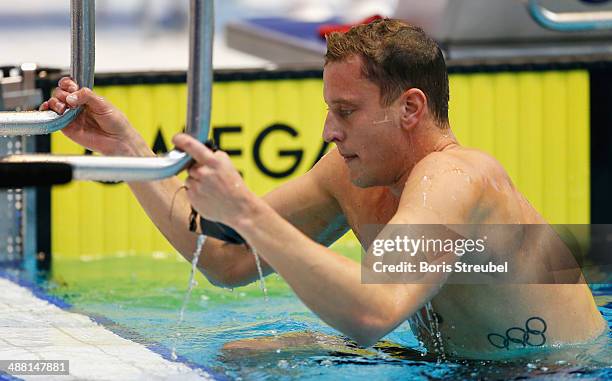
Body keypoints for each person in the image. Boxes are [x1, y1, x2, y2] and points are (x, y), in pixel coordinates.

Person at [42, 19, 605, 359]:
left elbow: (374, 312)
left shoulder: (460, 177)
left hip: (558, 371)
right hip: (453, 363)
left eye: (346, 111)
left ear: (410, 108)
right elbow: (225, 258)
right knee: (249, 354)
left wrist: (247, 209)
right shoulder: (348, 175)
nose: (328, 131)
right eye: (327, 110)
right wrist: (129, 152)